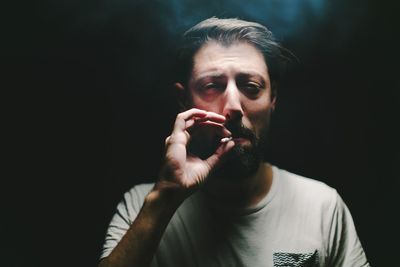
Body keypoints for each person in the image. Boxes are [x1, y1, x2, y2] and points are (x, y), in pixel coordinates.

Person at [99, 17, 369, 267]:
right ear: (184, 101)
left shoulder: (321, 206)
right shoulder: (143, 205)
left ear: (272, 99)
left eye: (250, 87)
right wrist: (165, 196)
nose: (233, 106)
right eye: (212, 86)